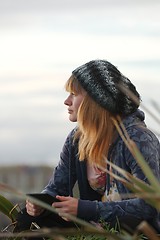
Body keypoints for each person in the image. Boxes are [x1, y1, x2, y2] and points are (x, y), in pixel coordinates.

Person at [15, 59, 160, 235]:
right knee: (28, 219)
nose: (67, 101)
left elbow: (150, 205)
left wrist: (87, 209)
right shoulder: (77, 139)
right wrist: (40, 204)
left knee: (127, 223)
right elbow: (56, 188)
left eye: (74, 94)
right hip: (93, 226)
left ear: (96, 100)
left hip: (138, 230)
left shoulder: (138, 138)